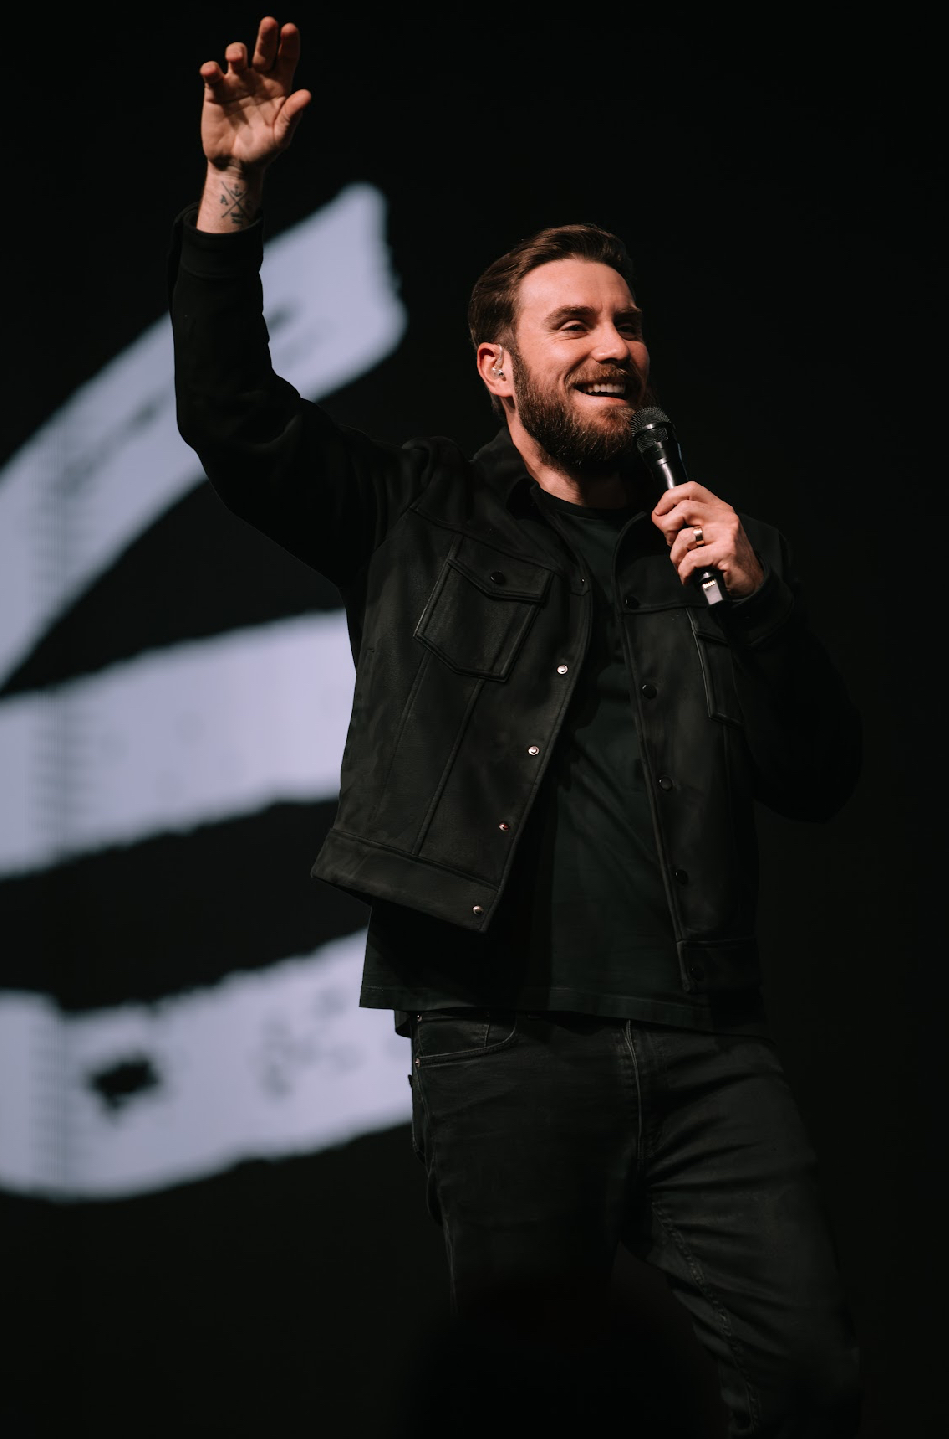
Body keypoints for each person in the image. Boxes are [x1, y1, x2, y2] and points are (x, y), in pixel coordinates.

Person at [171, 17, 863, 1436]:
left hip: (706, 1044)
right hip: (503, 1039)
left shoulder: (714, 554)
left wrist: (761, 603)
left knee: (807, 1381)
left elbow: (819, 773)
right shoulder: (415, 512)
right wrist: (232, 190)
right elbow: (232, 415)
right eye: (576, 325)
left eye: (628, 324)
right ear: (500, 368)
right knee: (530, 1410)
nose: (615, 346)